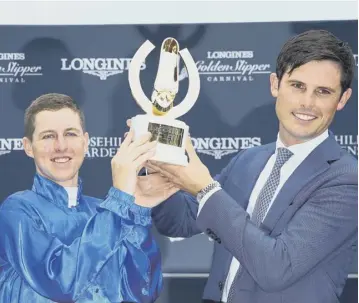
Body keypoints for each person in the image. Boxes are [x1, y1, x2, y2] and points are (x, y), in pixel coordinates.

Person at [139, 29, 358, 303]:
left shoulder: (347, 180)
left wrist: (205, 189)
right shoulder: (249, 160)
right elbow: (179, 222)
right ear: (275, 84)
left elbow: (277, 268)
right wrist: (159, 168)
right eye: (297, 86)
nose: (307, 102)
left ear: (343, 99)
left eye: (323, 92)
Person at [0, 93, 175, 303]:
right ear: (28, 147)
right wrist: (120, 200)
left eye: (71, 134)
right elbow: (61, 281)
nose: (61, 146)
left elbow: (143, 292)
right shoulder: (17, 210)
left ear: (86, 142)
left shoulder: (106, 211)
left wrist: (137, 210)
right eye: (48, 136)